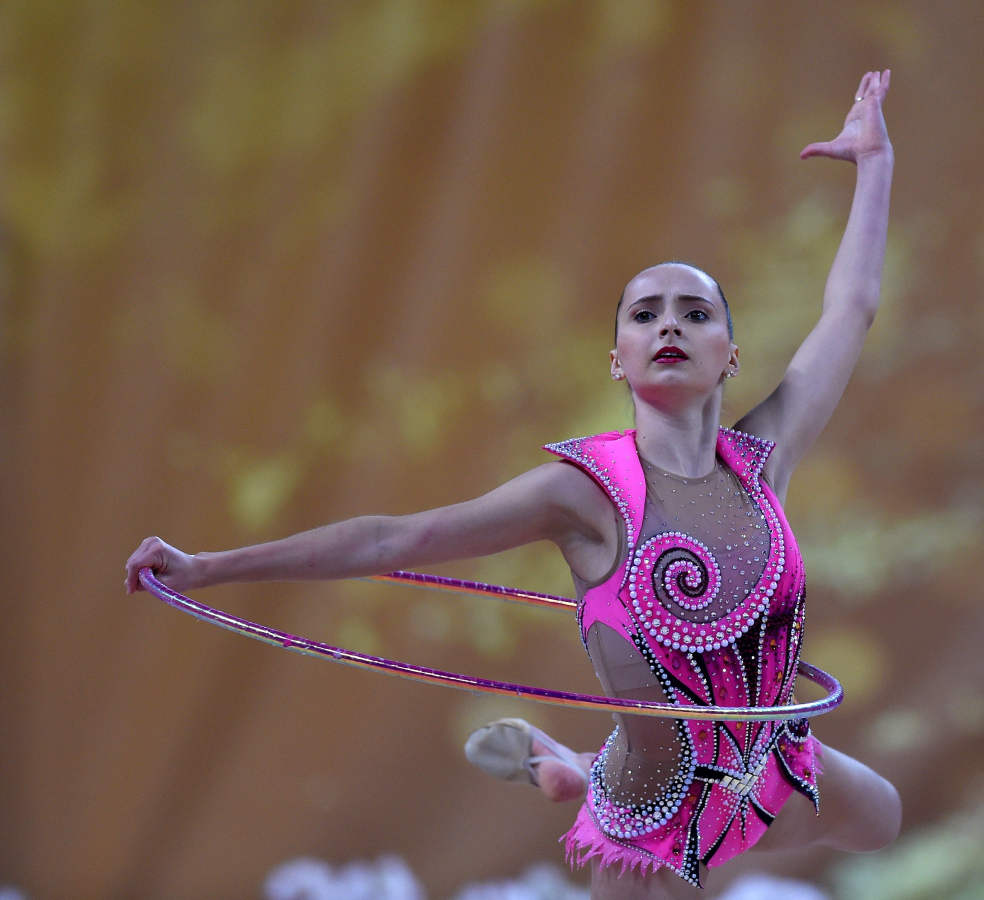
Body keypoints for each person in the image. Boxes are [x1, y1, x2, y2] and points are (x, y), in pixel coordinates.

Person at [126, 69, 901, 898]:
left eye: (694, 311)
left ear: (729, 355)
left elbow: (849, 306)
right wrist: (209, 566)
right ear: (618, 359)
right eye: (643, 315)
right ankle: (578, 771)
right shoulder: (585, 493)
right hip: (665, 806)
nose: (668, 323)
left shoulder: (763, 458)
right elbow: (393, 540)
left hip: (775, 757)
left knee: (882, 815)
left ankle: (565, 763)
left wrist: (873, 162)